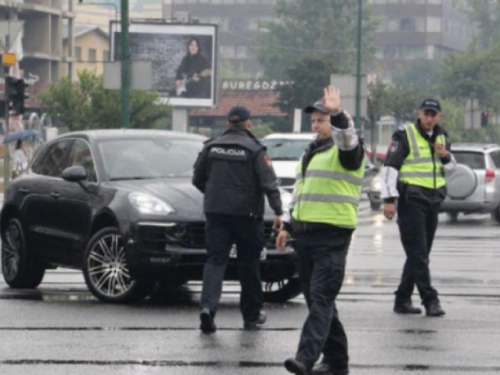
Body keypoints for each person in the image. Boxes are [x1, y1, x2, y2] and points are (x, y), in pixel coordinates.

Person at [276, 85, 365, 375]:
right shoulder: (311, 152)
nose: (315, 125)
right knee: (318, 300)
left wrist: (338, 113)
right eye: (313, 121)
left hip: (333, 236)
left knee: (321, 298)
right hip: (306, 236)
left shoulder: (346, 151)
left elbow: (348, 141)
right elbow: (300, 192)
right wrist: (287, 226)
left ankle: (305, 358)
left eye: (321, 120)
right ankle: (337, 362)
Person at [192, 105, 283, 333]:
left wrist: (215, 196)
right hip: (247, 216)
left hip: (216, 213)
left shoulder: (211, 146)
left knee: (215, 261)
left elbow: (197, 179)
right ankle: (251, 316)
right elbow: (269, 184)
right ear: (248, 123)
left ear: (228, 123)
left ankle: (208, 309)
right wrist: (279, 211)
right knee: (249, 265)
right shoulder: (255, 149)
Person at [381, 98, 457, 317]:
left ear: (439, 116)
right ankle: (430, 299)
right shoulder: (405, 135)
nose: (430, 118)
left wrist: (445, 155)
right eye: (426, 113)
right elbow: (390, 168)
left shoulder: (442, 136)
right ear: (419, 114)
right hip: (411, 200)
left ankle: (402, 298)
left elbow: (452, 167)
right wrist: (388, 199)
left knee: (419, 254)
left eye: (434, 114)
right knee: (418, 254)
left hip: (433, 201)